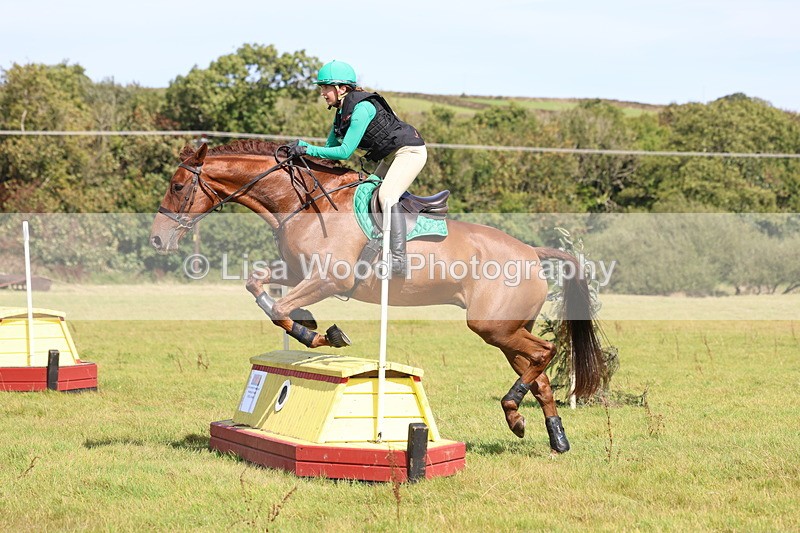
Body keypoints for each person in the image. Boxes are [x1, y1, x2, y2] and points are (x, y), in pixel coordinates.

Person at [287, 60, 426, 275]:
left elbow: (344, 152)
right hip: (391, 156)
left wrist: (307, 148)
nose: (323, 93)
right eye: (322, 88)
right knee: (367, 190)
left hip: (410, 152)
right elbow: (328, 151)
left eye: (326, 87)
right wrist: (298, 157)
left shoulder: (362, 109)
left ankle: (398, 260)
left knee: (387, 196)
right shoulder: (341, 114)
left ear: (342, 89)